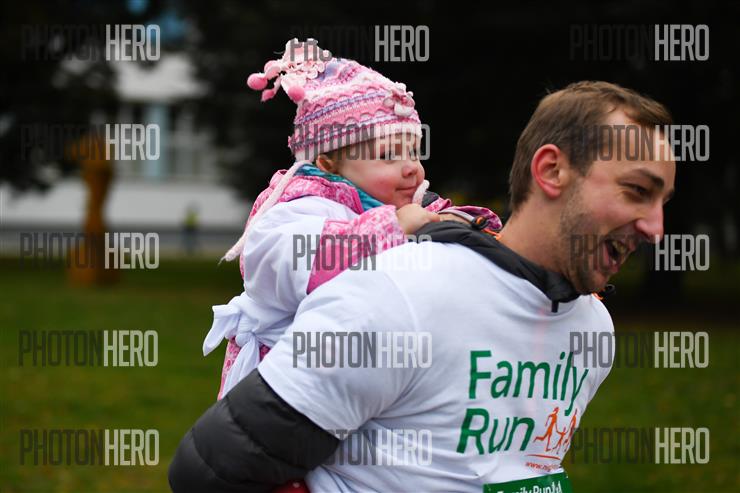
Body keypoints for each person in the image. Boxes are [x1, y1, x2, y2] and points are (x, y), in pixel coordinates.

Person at [170, 81, 676, 492]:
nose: (656, 228)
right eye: (636, 190)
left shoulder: (593, 327)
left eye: (663, 202)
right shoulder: (396, 293)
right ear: (551, 170)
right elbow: (213, 471)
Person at [203, 39, 500, 400]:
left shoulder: (391, 204)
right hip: (283, 389)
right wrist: (393, 228)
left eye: (413, 151)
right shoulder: (299, 208)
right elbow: (299, 260)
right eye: (388, 156)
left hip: (355, 385)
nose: (411, 167)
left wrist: (462, 226)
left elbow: (462, 236)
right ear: (328, 163)